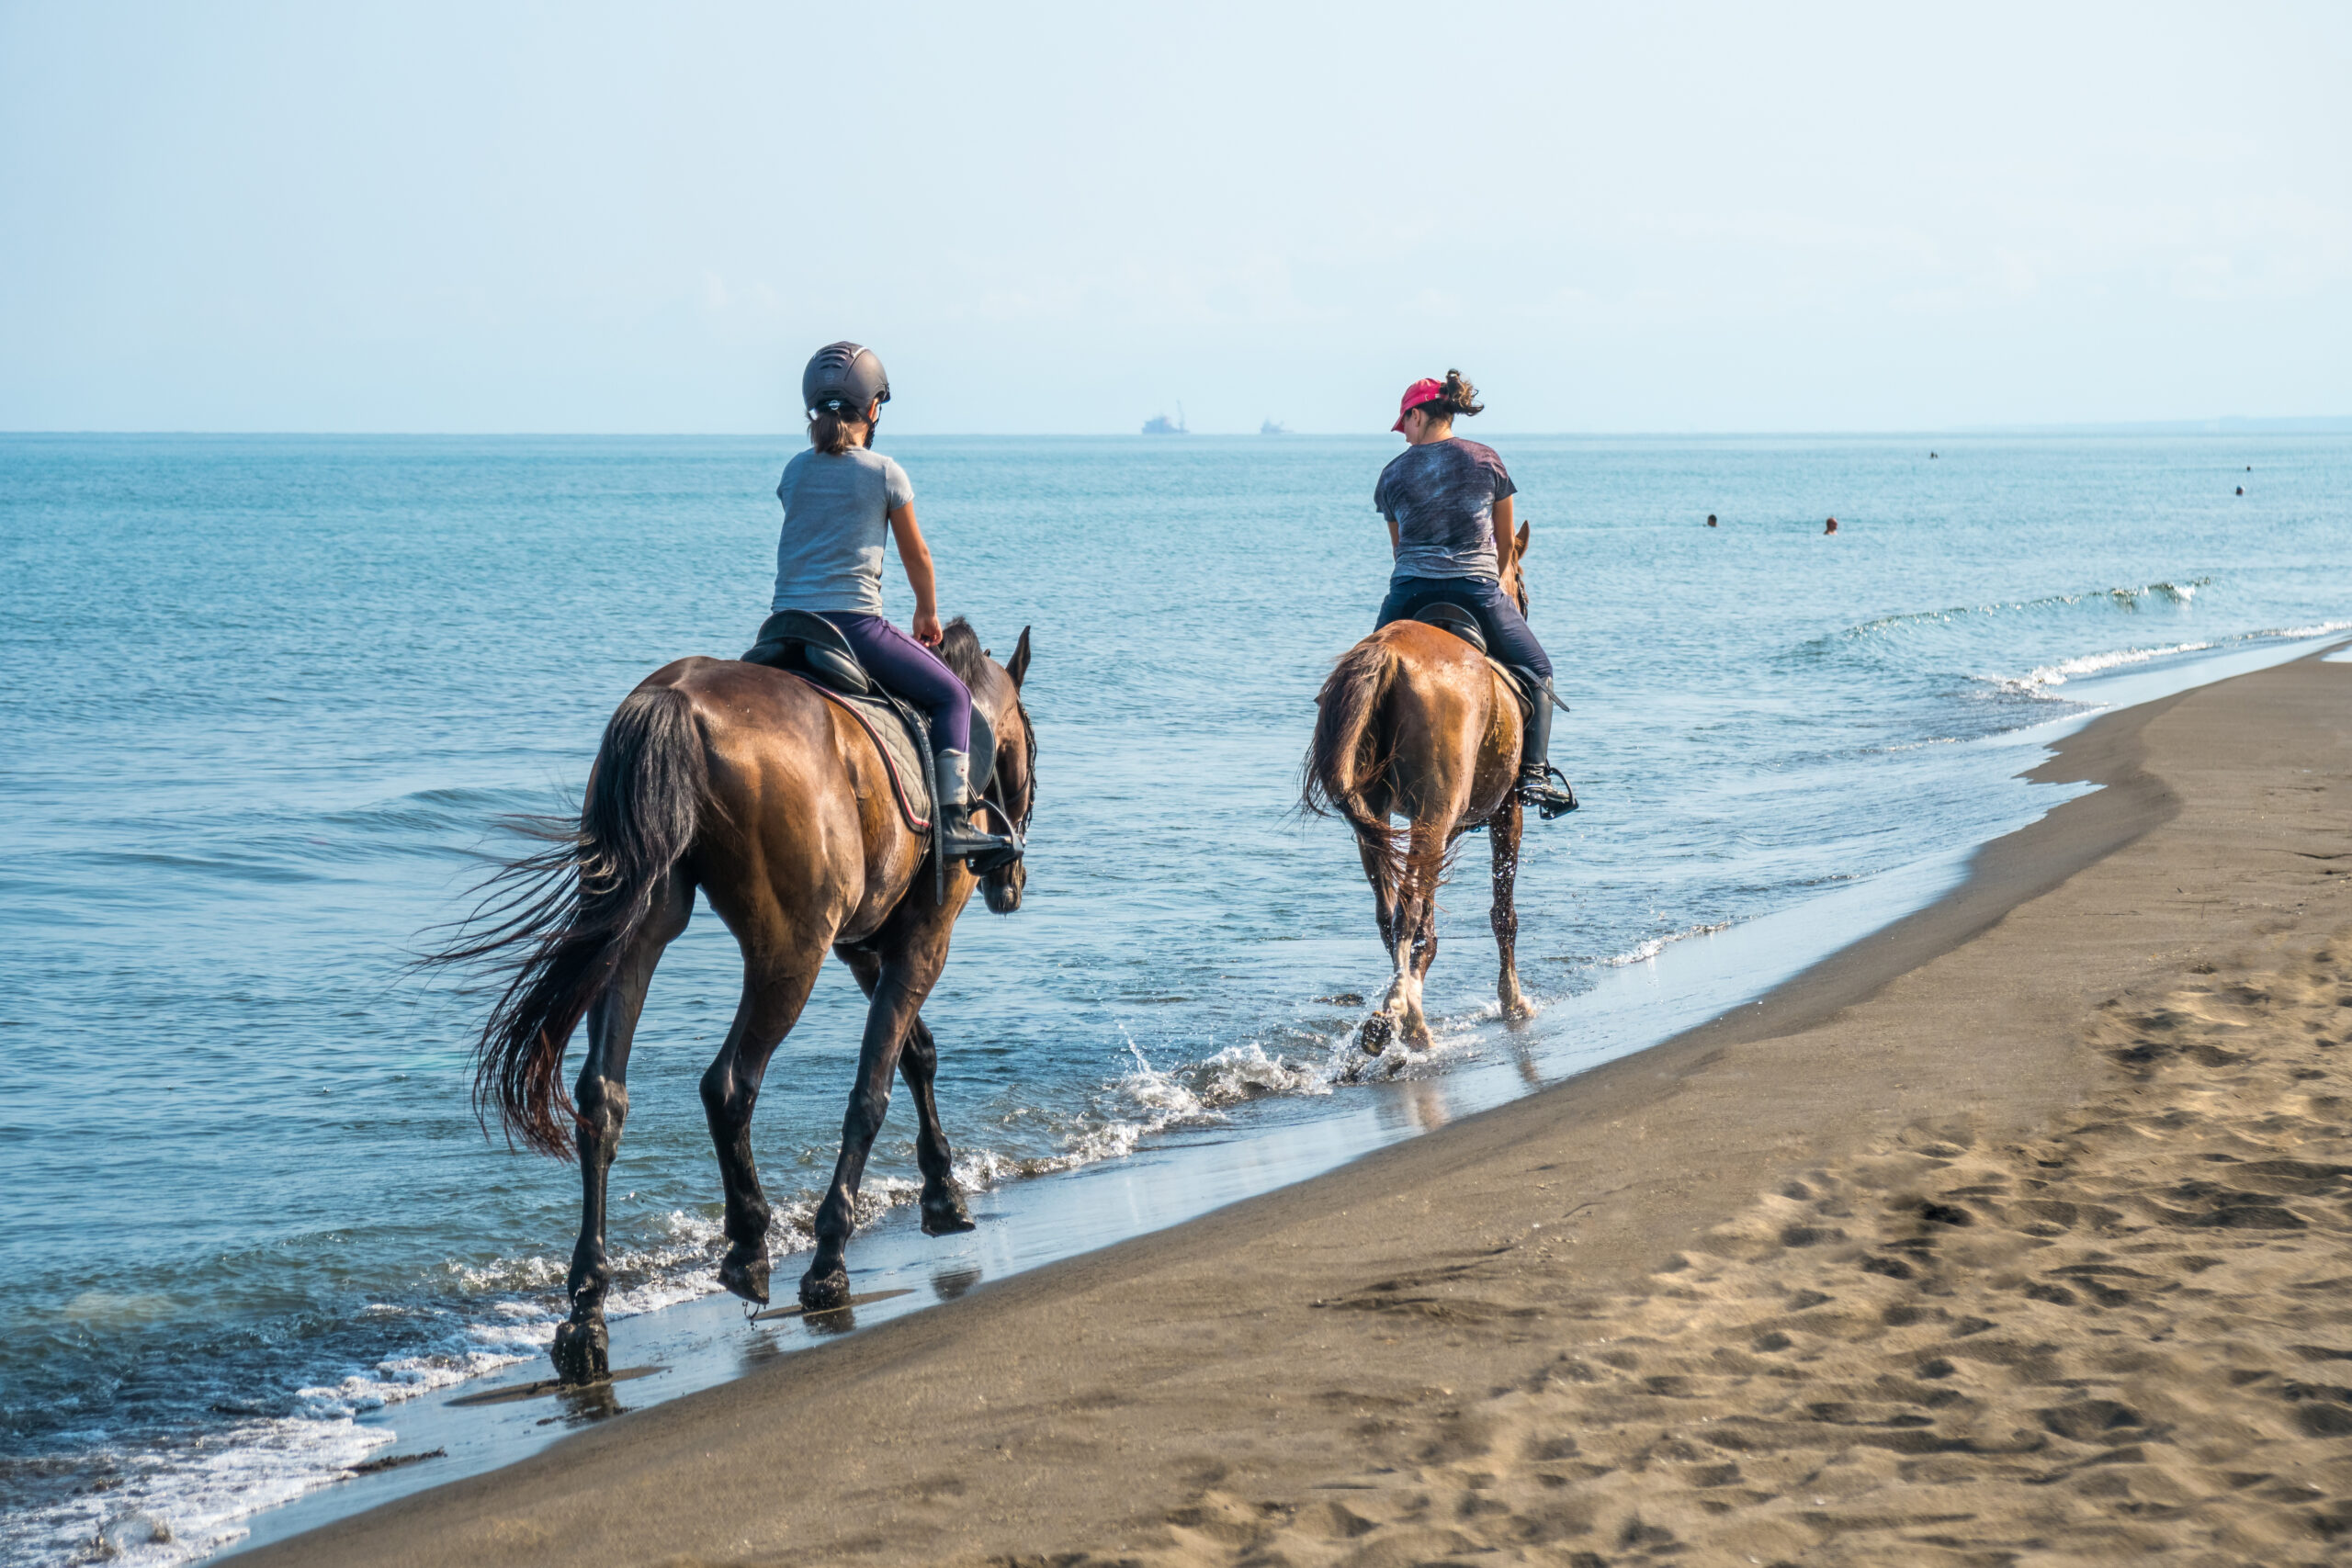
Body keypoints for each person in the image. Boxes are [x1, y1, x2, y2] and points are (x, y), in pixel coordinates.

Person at [769, 342, 1017, 868]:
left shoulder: (793, 470)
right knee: (952, 696)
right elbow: (917, 557)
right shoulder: (884, 472)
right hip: (851, 626)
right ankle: (953, 825)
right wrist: (927, 613)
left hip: (783, 627)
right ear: (874, 409)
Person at [1372, 370, 1576, 818]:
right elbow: (1506, 546)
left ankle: (1360, 771)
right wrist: (1489, 576)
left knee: (1364, 675)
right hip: (1477, 590)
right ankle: (1535, 774)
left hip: (1408, 591)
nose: (1402, 434)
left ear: (1418, 414)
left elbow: (1397, 549)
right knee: (1539, 668)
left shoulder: (1391, 475)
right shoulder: (1487, 460)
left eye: (1403, 424)